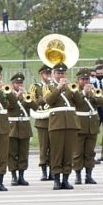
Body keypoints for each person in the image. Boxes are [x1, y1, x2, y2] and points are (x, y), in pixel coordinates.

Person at [44, 62, 80, 190]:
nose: (61, 75)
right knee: (57, 152)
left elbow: (80, 103)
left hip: (71, 123)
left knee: (68, 152)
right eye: (58, 73)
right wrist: (58, 88)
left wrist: (74, 90)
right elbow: (48, 100)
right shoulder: (48, 86)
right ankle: (56, 179)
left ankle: (66, 179)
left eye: (63, 73)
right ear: (54, 74)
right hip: (57, 124)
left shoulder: (70, 87)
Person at [73, 69, 103, 184]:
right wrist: (84, 93)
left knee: (90, 152)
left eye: (87, 79)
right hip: (80, 126)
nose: (85, 82)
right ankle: (78, 175)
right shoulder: (74, 91)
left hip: (92, 126)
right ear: (78, 80)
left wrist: (95, 95)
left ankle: (89, 175)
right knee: (78, 153)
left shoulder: (94, 90)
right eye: (82, 79)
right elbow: (77, 102)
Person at [7, 72, 35, 186]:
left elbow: (36, 107)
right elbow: (8, 106)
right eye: (17, 83)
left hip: (24, 127)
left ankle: (21, 176)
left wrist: (27, 97)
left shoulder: (27, 94)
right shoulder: (8, 94)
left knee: (23, 153)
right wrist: (16, 97)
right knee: (12, 153)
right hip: (12, 127)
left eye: (21, 83)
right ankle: (14, 176)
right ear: (12, 84)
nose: (19, 85)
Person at [31, 65, 53, 180]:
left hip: (54, 120)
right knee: (44, 147)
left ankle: (53, 170)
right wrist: (45, 98)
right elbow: (33, 102)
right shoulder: (35, 87)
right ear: (41, 75)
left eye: (49, 73)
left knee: (54, 147)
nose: (48, 76)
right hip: (42, 120)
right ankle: (44, 170)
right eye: (46, 73)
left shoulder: (54, 86)